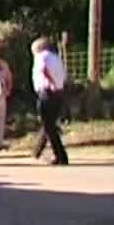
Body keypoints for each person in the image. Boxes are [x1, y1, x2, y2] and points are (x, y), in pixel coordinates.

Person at [31, 37, 70, 166]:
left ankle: (61, 155)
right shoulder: (56, 58)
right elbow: (63, 76)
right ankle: (37, 150)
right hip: (58, 93)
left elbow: (43, 70)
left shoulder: (41, 56)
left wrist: (51, 82)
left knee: (48, 126)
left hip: (46, 92)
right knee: (49, 124)